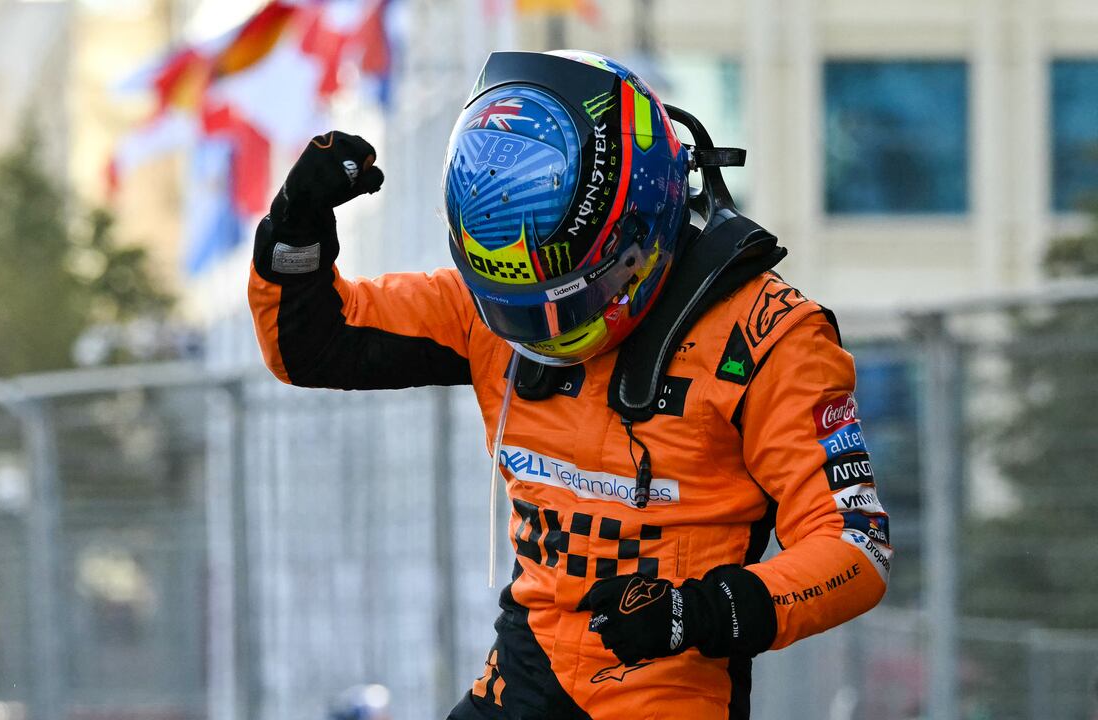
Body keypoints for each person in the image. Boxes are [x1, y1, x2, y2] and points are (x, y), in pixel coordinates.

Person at [248, 49, 891, 720]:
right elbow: (312, 347)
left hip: (666, 689)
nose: (544, 324)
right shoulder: (490, 311)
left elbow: (856, 549)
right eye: (520, 299)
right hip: (526, 674)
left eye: (564, 284)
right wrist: (295, 228)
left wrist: (701, 610)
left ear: (643, 218)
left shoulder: (773, 337)